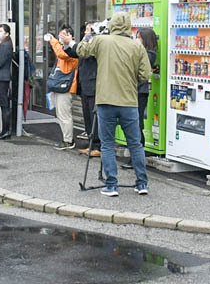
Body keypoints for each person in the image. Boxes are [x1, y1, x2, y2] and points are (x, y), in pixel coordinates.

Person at [74, 12, 151, 197]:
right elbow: (145, 74)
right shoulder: (136, 46)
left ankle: (111, 185)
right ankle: (141, 183)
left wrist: (89, 34)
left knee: (107, 144)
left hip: (105, 101)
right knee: (135, 144)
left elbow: (81, 51)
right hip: (129, 102)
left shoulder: (102, 41)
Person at [67, 23, 100, 158]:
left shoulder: (95, 41)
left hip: (93, 84)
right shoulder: (85, 42)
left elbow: (85, 52)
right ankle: (91, 143)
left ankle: (98, 145)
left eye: (89, 29)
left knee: (94, 116)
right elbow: (75, 53)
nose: (86, 31)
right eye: (86, 29)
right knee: (87, 115)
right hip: (85, 84)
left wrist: (73, 42)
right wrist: (66, 44)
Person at [43, 25, 78, 151]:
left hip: (66, 87)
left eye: (64, 34)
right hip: (60, 85)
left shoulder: (73, 49)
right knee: (61, 114)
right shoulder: (63, 47)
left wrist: (53, 41)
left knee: (64, 115)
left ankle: (68, 141)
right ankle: (66, 138)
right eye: (60, 34)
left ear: (71, 37)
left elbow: (62, 54)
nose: (61, 37)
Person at [135, 27, 159, 148]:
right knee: (134, 123)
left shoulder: (150, 54)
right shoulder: (142, 51)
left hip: (141, 91)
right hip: (134, 90)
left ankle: (138, 152)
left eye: (139, 37)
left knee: (137, 123)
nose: (137, 40)